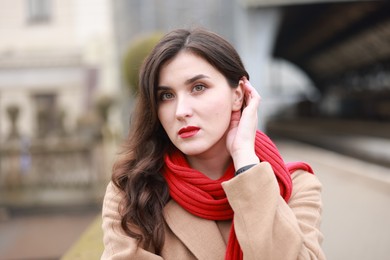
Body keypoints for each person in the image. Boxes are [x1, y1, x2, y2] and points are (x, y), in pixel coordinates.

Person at [101, 28, 325, 260]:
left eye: (198, 88)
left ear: (238, 95)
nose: (181, 111)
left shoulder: (295, 186)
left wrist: (246, 162)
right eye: (166, 96)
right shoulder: (133, 190)